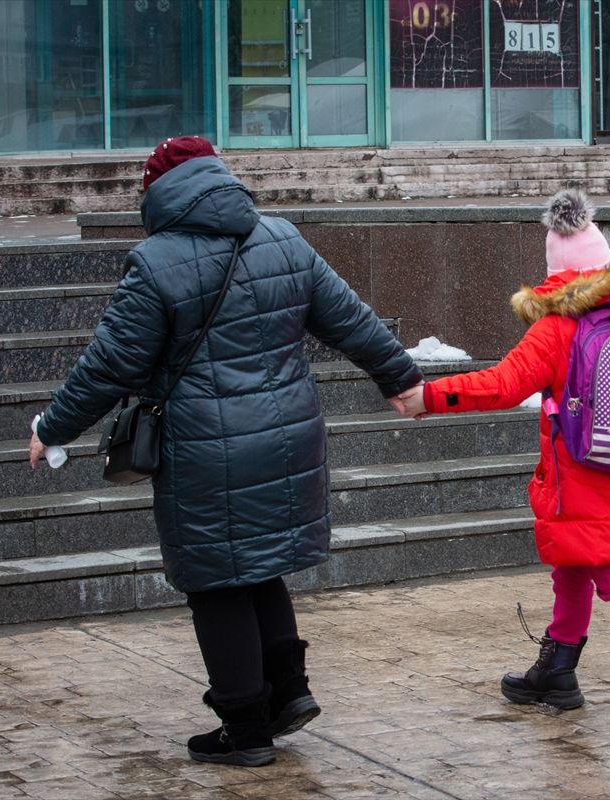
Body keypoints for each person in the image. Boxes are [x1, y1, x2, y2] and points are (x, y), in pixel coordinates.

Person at [27, 137, 423, 766]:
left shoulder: (156, 262)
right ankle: (288, 694)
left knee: (215, 580)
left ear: (158, 191)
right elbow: (349, 318)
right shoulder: (281, 237)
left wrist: (54, 426)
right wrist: (400, 377)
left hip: (206, 449)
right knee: (259, 565)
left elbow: (110, 365)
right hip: (289, 437)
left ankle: (246, 731)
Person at [394, 188, 610, 735]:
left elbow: (501, 384)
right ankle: (558, 670)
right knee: (575, 561)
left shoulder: (557, 328)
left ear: (554, 275)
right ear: (609, 268)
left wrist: (431, 397)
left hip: (579, 475)